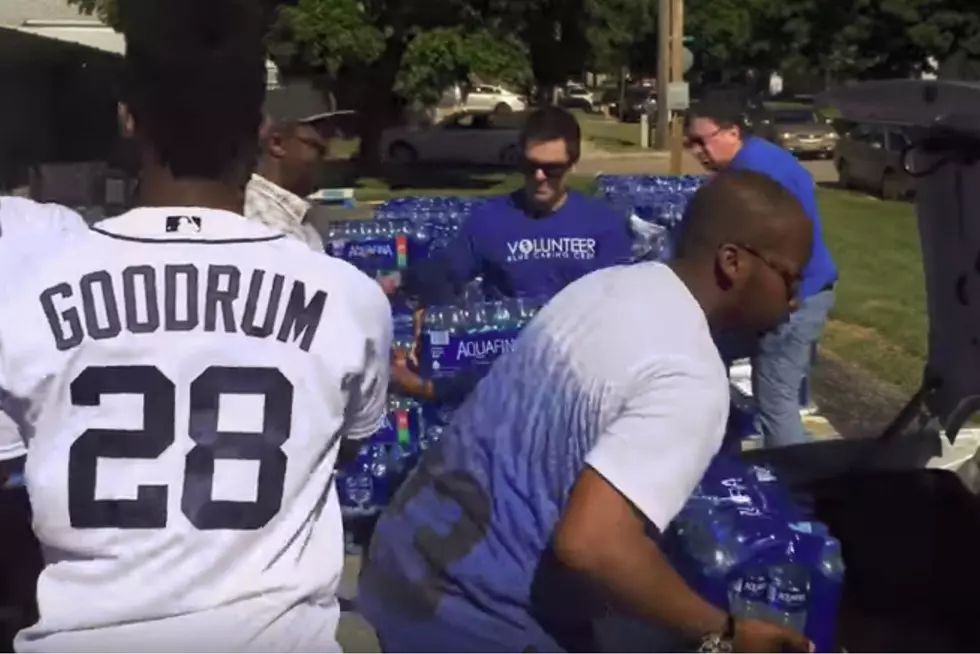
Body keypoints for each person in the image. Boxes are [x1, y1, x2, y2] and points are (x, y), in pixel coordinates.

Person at [0, 0, 391, 650]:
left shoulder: (28, 293)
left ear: (129, 119)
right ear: (260, 127)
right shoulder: (347, 296)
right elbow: (339, 447)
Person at [358, 169, 815, 653]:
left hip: (401, 565)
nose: (793, 302)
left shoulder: (606, 286)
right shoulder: (689, 374)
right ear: (733, 263)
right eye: (790, 278)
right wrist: (727, 633)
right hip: (475, 620)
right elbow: (592, 543)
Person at [685, 103, 838, 448]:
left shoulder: (756, 175)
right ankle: (719, 442)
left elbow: (785, 246)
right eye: (689, 144)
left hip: (794, 300)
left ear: (732, 132)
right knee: (706, 352)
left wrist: (789, 295)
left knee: (776, 405)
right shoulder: (753, 161)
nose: (696, 151)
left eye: (701, 141)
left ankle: (799, 490)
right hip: (785, 296)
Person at [379, 106, 633, 304]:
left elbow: (619, 302)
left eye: (552, 169)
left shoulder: (604, 224)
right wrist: (396, 281)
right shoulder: (490, 220)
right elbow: (447, 271)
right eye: (530, 166)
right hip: (511, 353)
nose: (539, 176)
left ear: (573, 164)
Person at [245, 81, 331, 251]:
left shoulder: (291, 211)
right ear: (277, 144)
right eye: (317, 147)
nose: (326, 157)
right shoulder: (265, 223)